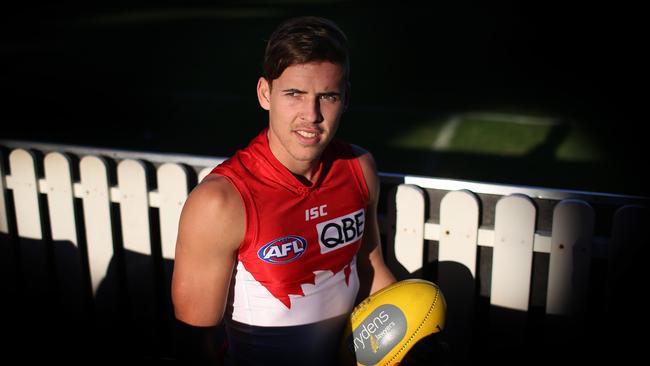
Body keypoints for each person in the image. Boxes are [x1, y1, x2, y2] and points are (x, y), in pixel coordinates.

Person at [171, 16, 396, 365]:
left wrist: (411, 331)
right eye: (294, 94)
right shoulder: (220, 202)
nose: (312, 114)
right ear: (265, 93)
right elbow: (194, 342)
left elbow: (371, 267)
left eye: (328, 96)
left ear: (346, 98)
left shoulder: (358, 168)